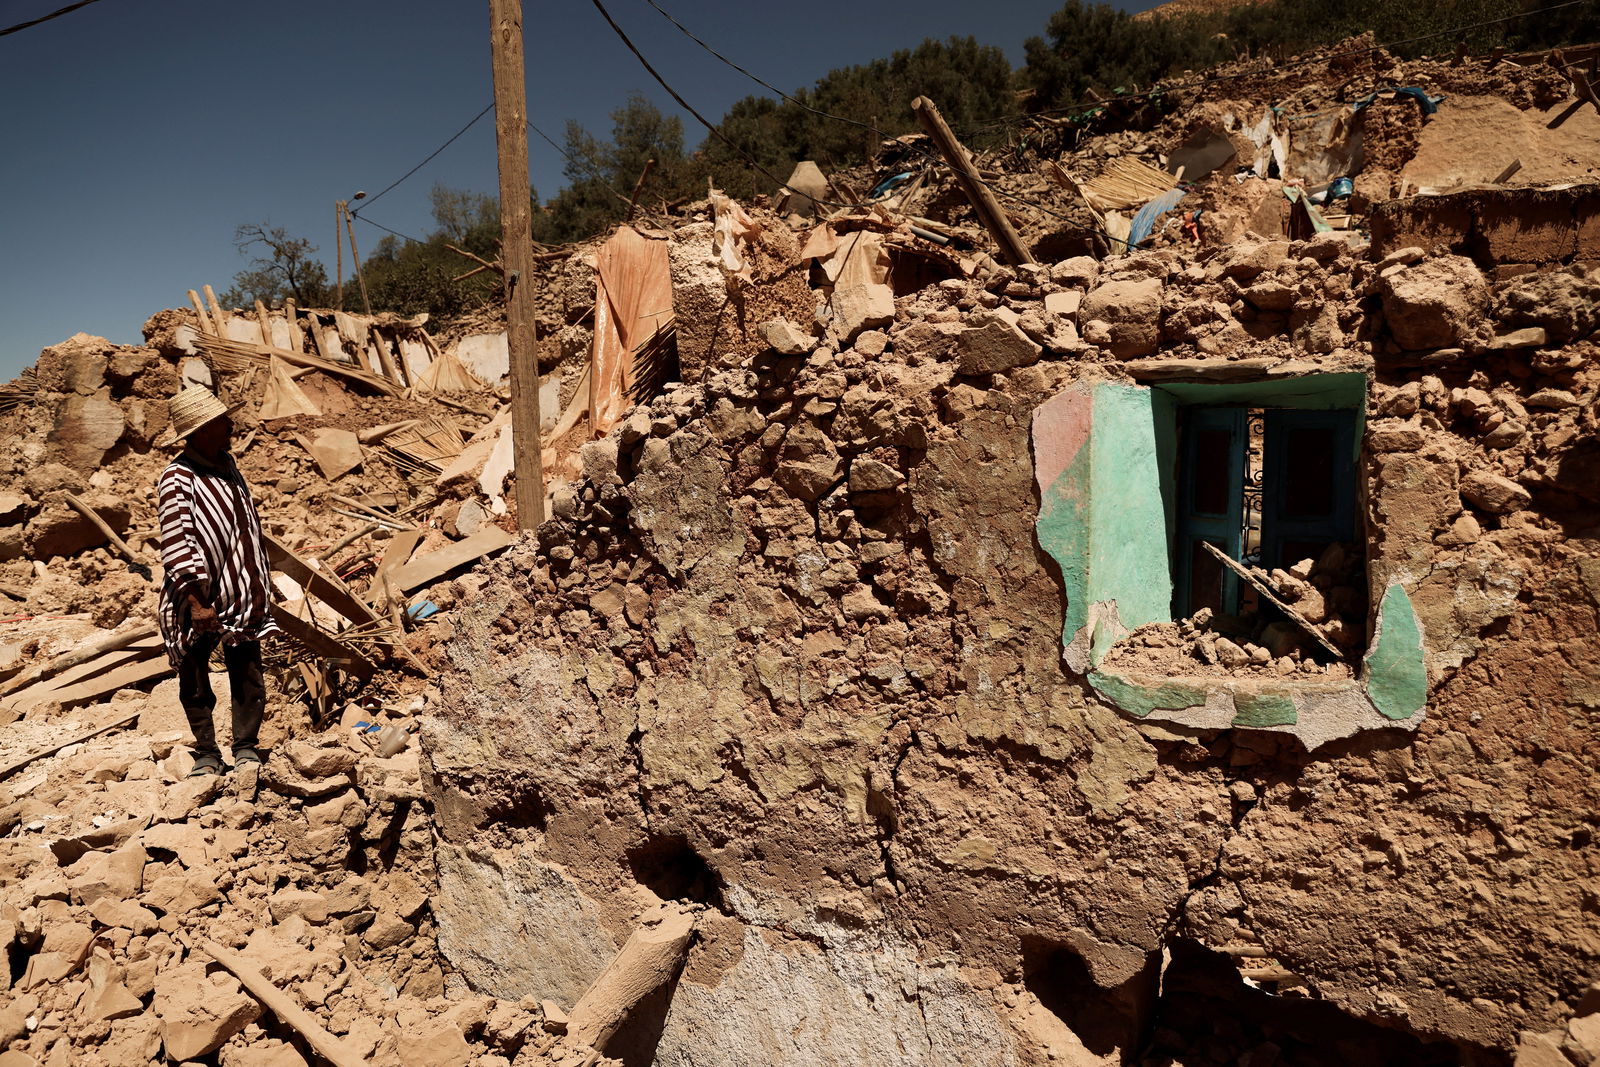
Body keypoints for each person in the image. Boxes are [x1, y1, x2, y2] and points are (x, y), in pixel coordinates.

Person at [155, 385, 279, 776]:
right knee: (194, 674)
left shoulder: (229, 467)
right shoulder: (178, 478)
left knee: (247, 669)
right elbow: (178, 539)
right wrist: (196, 603)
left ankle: (245, 747)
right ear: (202, 429)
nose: (231, 426)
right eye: (223, 422)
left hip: (240, 592)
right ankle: (207, 752)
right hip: (200, 598)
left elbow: (245, 531)